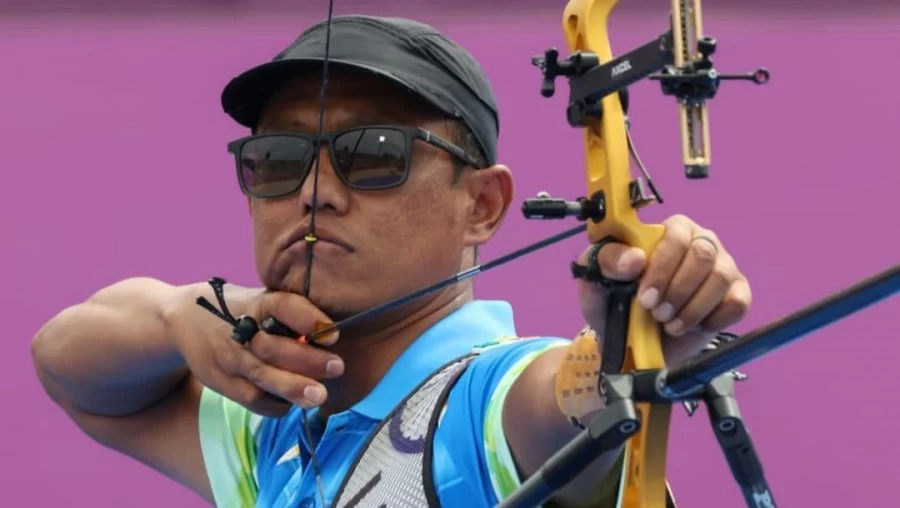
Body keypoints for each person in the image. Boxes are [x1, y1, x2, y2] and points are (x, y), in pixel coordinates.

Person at [31, 14, 752, 508]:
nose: (313, 192)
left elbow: (571, 405)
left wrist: (637, 332)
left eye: (374, 154)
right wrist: (182, 315)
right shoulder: (273, 426)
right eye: (277, 158)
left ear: (482, 205)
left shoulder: (485, 404)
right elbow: (66, 363)